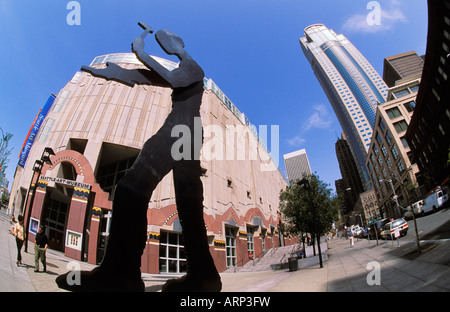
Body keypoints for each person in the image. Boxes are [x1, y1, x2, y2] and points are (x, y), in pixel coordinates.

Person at [56, 22, 221, 292]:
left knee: (130, 189)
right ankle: (204, 277)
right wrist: (116, 72)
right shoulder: (183, 69)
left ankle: (121, 275)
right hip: (188, 130)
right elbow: (151, 77)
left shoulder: (192, 66)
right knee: (188, 201)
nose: (165, 45)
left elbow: (173, 79)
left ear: (178, 43)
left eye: (166, 40)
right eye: (161, 42)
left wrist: (141, 53)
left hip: (180, 130)